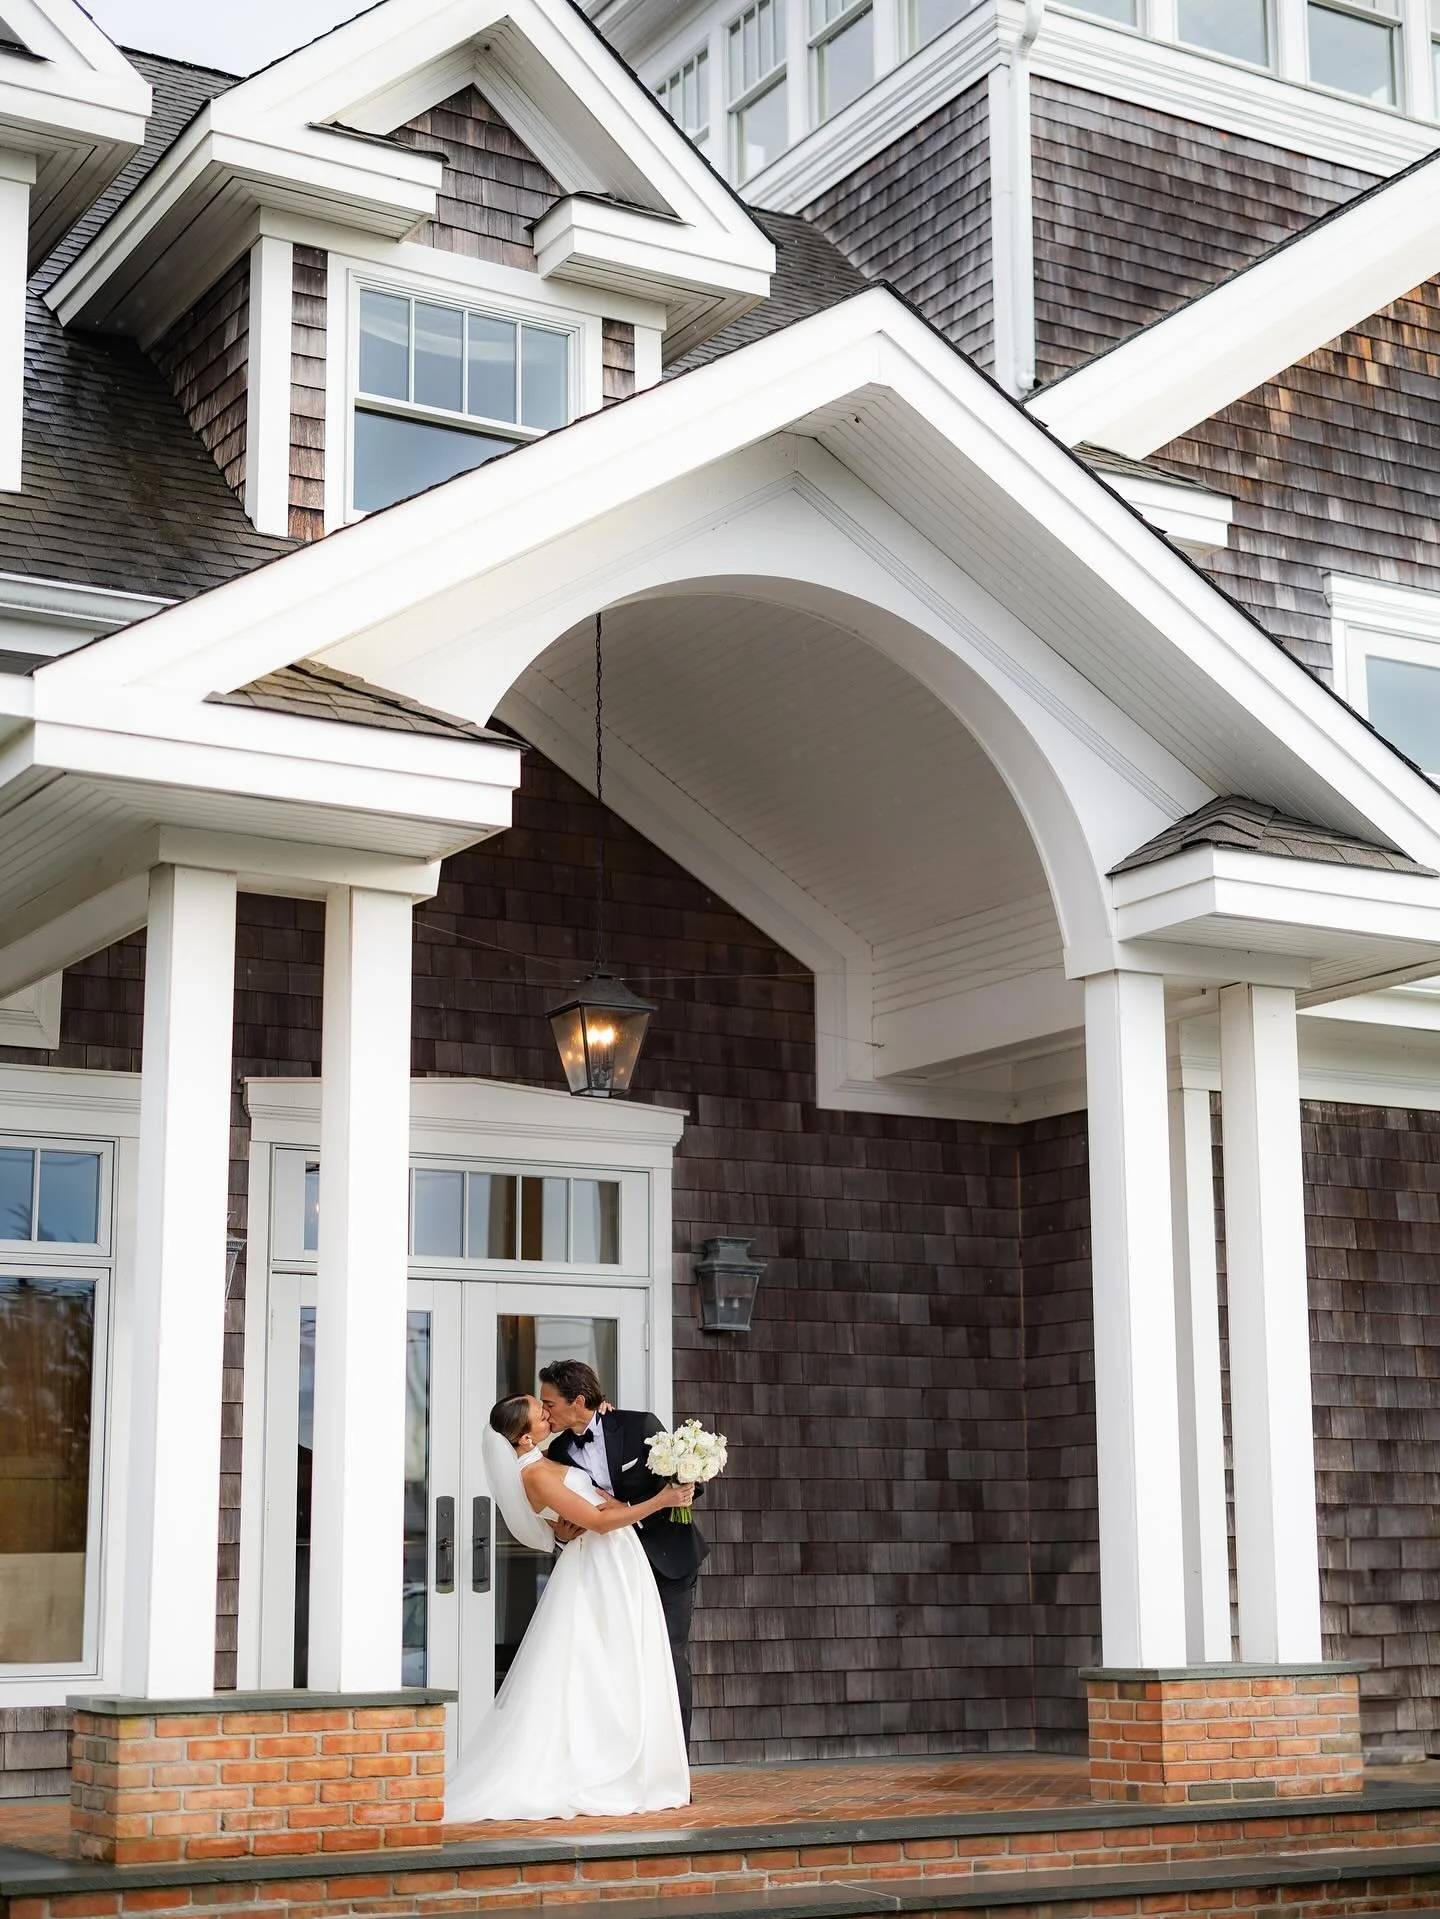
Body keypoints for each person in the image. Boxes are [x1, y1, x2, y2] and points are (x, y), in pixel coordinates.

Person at [444, 1392, 693, 1822]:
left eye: (547, 1403)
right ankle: (594, 1765)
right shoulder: (535, 1474)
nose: (546, 1411)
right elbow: (595, 1522)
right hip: (596, 1570)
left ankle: (636, 1761)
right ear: (523, 1439)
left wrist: (599, 1413)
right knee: (594, 1664)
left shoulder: (550, 1456)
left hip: (616, 1562)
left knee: (622, 1662)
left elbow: (593, 1508)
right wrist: (661, 1502)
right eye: (538, 1411)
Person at [539, 1360, 708, 1747]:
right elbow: (568, 1512)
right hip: (610, 1570)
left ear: (578, 1400)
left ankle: (675, 1764)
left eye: (550, 1402)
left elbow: (691, 1488)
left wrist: (626, 1505)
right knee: (619, 1663)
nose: (546, 1410)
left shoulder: (639, 1425)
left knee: (669, 1656)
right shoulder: (560, 1451)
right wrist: (564, 1534)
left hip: (667, 1560)